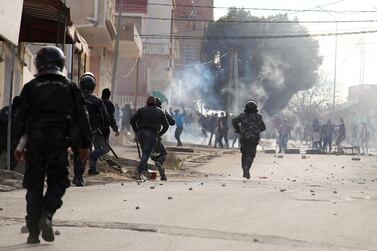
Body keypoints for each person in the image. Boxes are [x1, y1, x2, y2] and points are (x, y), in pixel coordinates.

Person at [12, 46, 91, 244]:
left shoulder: (30, 87)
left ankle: (32, 233)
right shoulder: (69, 86)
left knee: (34, 185)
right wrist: (84, 144)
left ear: (39, 64)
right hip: (58, 142)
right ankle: (46, 214)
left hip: (35, 143)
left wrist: (17, 144)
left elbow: (19, 118)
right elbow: (82, 116)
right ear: (61, 63)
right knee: (59, 181)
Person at [130, 96, 169, 181]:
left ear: (147, 102)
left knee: (145, 153)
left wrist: (137, 131)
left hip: (141, 134)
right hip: (152, 134)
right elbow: (166, 125)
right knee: (146, 154)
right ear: (155, 103)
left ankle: (143, 171)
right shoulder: (160, 111)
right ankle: (139, 171)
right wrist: (160, 134)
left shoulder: (141, 110)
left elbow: (132, 120)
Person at [79, 72, 110, 176]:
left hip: (77, 129)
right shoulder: (97, 100)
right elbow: (105, 118)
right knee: (98, 148)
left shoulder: (75, 98)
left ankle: (79, 173)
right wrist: (105, 132)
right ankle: (89, 169)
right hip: (94, 130)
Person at [232, 100, 266, 179]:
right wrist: (256, 131)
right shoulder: (258, 117)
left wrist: (238, 130)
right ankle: (246, 168)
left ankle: (244, 169)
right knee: (251, 155)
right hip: (253, 139)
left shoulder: (242, 116)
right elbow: (263, 127)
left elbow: (234, 121)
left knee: (244, 154)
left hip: (244, 138)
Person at [150, 97, 175, 181]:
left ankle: (143, 171)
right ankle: (159, 165)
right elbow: (172, 122)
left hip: (144, 137)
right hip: (155, 136)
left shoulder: (144, 110)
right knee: (163, 154)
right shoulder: (161, 111)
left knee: (150, 155)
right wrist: (166, 113)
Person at [0, 96, 21, 170]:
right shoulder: (6, 110)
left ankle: (8, 171)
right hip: (4, 136)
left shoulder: (20, 112)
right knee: (13, 158)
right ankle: (8, 170)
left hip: (12, 138)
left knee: (13, 159)